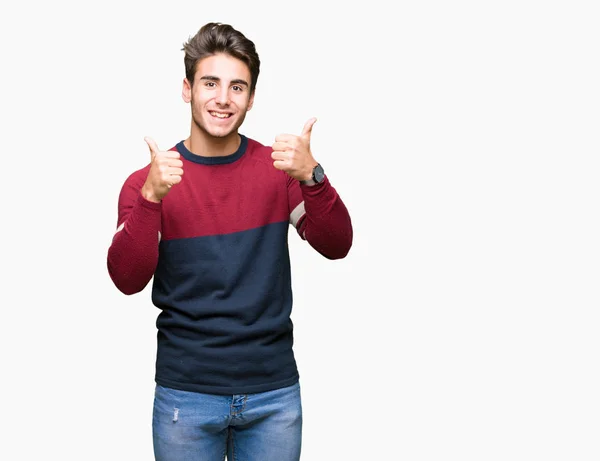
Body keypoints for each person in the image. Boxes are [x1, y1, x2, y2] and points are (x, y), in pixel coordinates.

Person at [107, 22, 353, 461]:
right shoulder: (148, 182)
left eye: (237, 86)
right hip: (187, 396)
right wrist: (150, 199)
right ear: (187, 89)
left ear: (252, 97)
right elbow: (127, 279)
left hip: (272, 396)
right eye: (210, 83)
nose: (223, 98)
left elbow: (337, 244)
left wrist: (313, 176)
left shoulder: (280, 171)